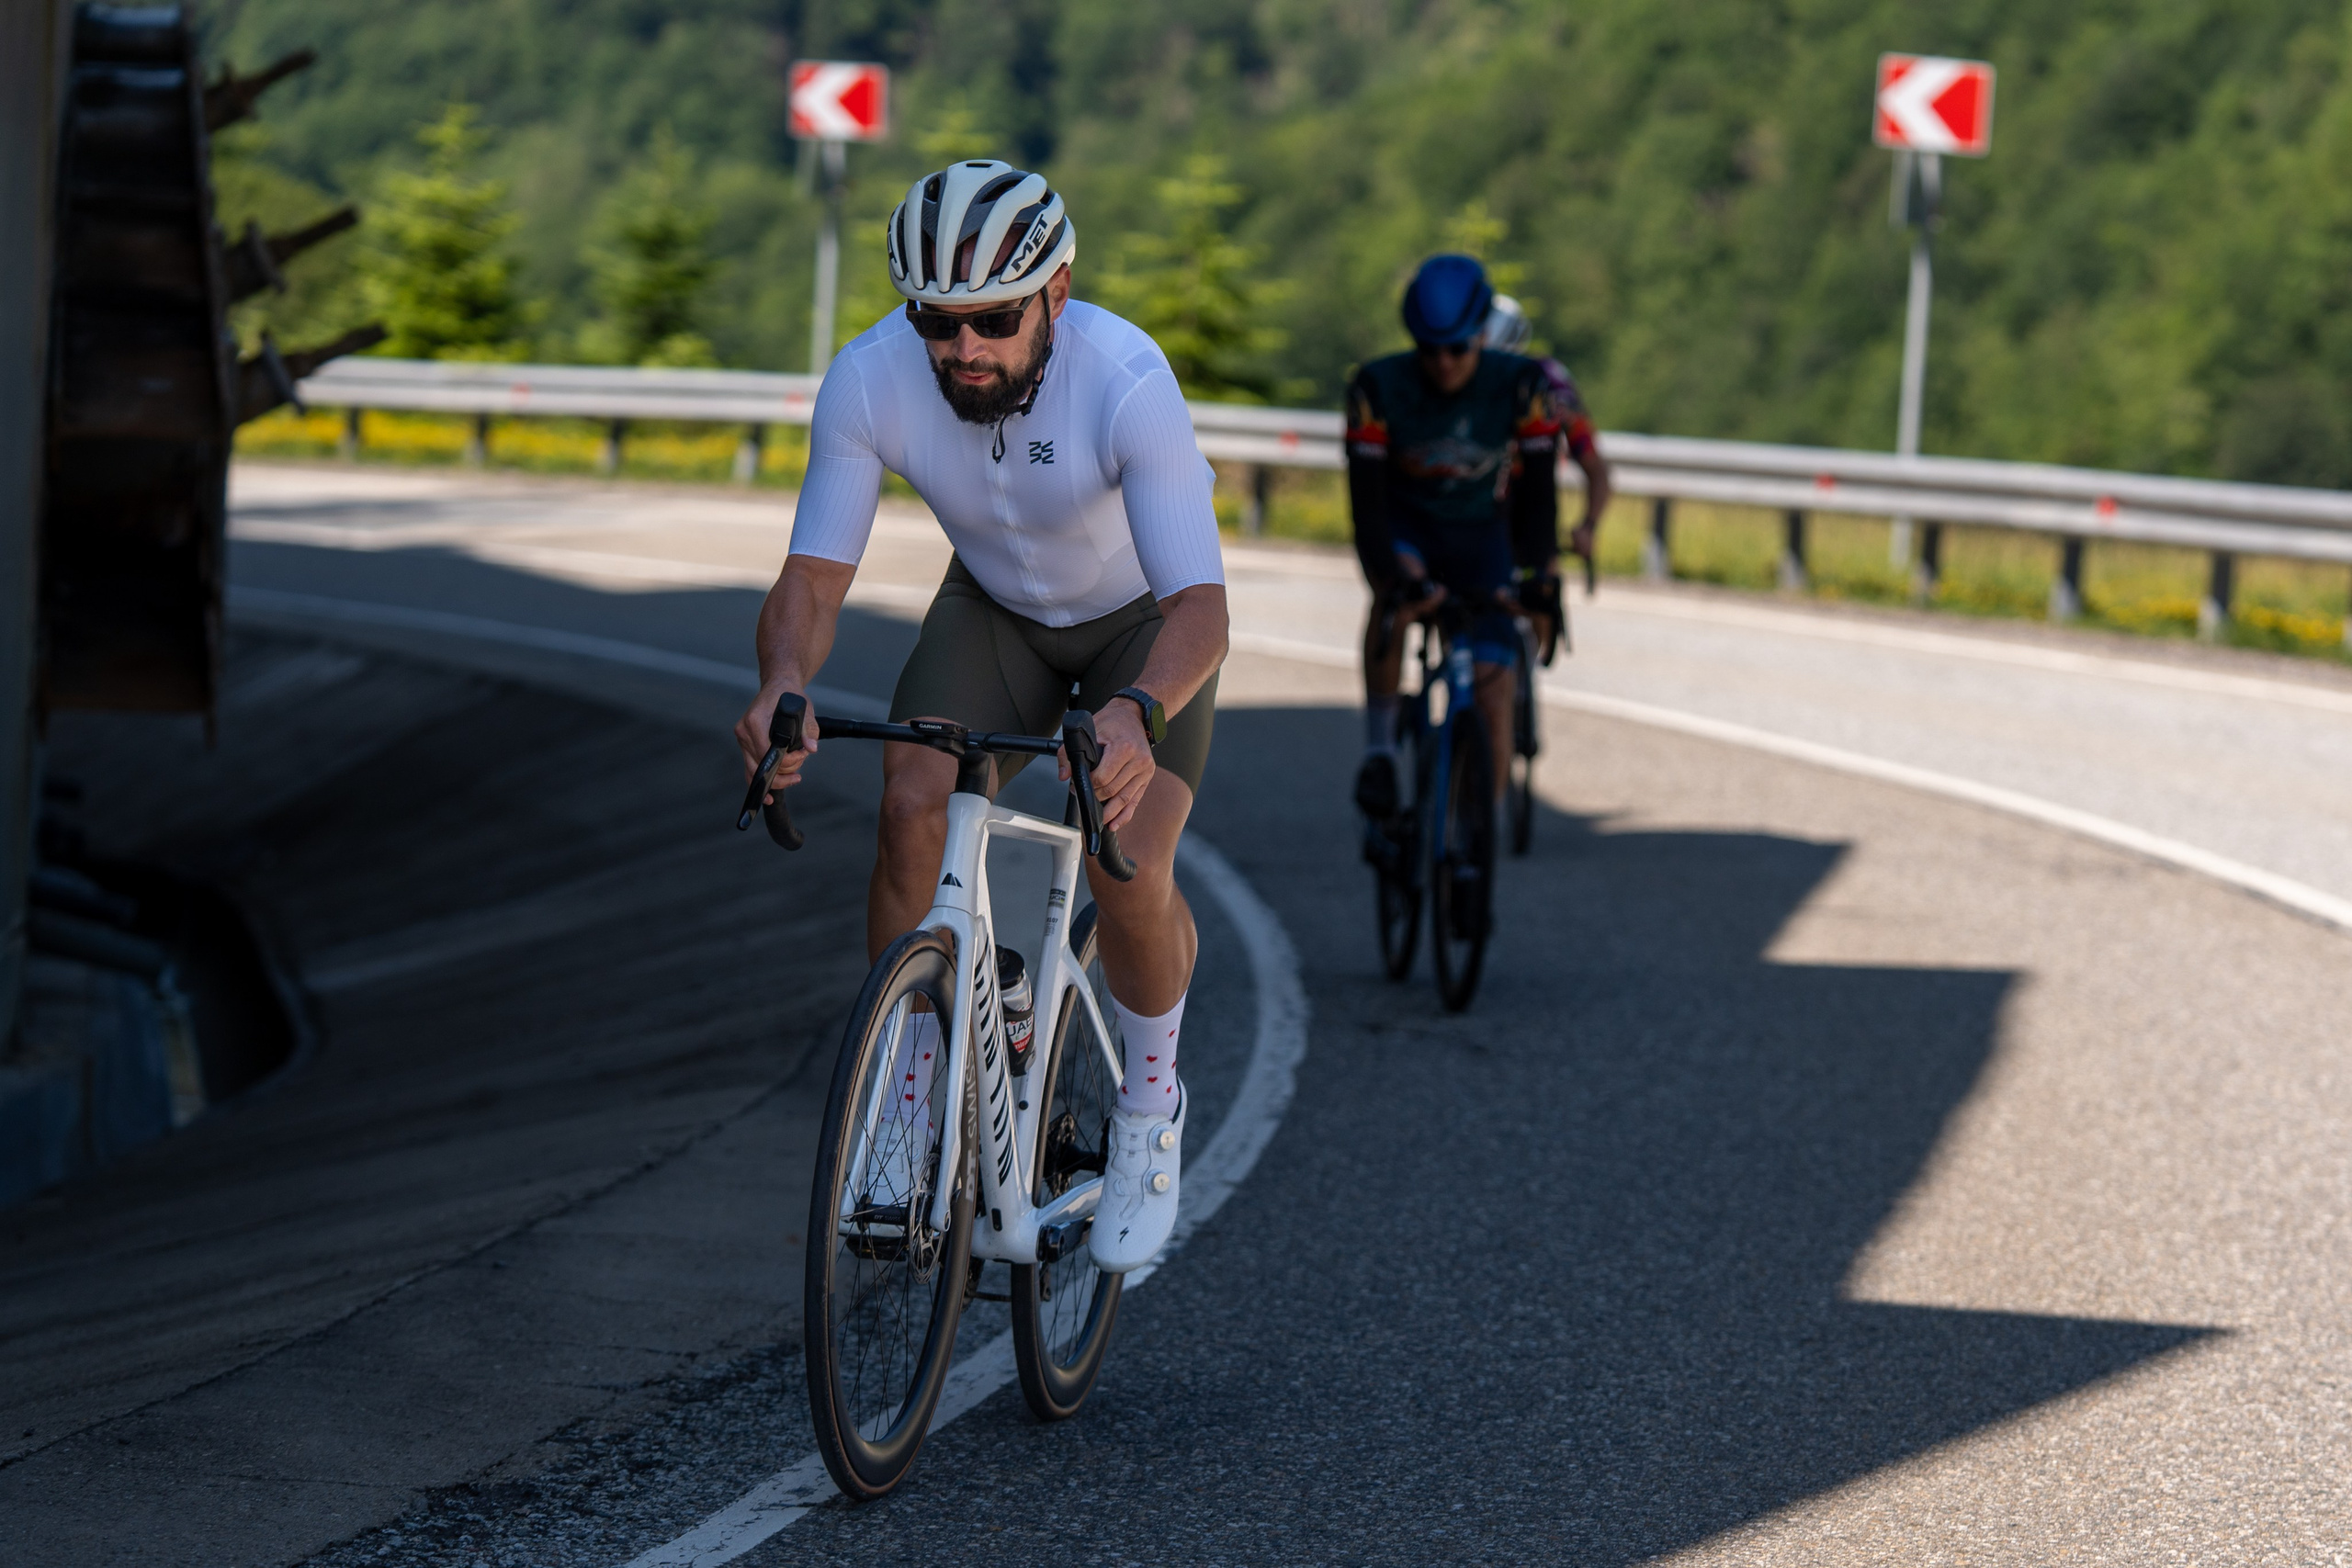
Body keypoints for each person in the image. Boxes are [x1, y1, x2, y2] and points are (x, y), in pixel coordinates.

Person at [734, 160, 1227, 1275]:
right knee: (910, 803)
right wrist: (779, 684)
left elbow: (1201, 606)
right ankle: (908, 1110)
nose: (963, 349)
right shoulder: (870, 379)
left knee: (1127, 864)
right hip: (996, 612)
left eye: (993, 320)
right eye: (937, 322)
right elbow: (812, 578)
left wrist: (1140, 716)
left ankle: (1150, 1109)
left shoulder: (1126, 379)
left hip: (1138, 635)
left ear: (1056, 292)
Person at [1345, 254, 1560, 826]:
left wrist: (1538, 578)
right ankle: (1381, 751)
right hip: (1407, 530)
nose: (1443, 363)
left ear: (1481, 336)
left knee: (1494, 696)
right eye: (1428, 349)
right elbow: (1366, 510)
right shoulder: (1376, 387)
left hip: (1481, 538)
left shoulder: (1521, 386)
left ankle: (1474, 842)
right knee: (1389, 611)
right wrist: (1392, 580)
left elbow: (1540, 496)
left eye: (1458, 349)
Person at [1483, 294, 1611, 650]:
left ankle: (1526, 673)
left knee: (1541, 583)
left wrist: (1589, 525)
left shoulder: (1551, 383)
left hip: (1529, 506)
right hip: (1474, 504)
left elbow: (1595, 468)